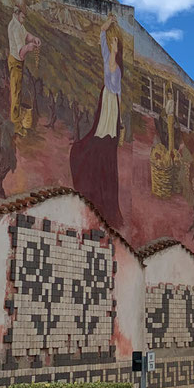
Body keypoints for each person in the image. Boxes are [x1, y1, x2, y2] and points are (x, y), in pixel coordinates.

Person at [70, 15, 123, 228]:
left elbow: (119, 94)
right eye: (111, 44)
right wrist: (108, 23)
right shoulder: (106, 58)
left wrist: (120, 120)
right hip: (106, 102)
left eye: (114, 44)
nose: (111, 46)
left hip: (112, 106)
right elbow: (100, 36)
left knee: (106, 142)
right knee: (96, 140)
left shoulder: (117, 68)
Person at [7, 1, 41, 136]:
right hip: (16, 62)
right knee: (15, 93)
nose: (24, 17)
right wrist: (29, 47)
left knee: (18, 91)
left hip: (18, 62)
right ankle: (15, 126)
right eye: (23, 15)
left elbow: (26, 35)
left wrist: (34, 38)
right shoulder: (14, 28)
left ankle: (17, 121)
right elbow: (21, 52)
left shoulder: (19, 25)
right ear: (17, 13)